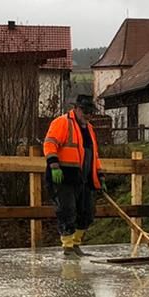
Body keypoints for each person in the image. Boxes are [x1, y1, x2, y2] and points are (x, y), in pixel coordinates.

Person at [42, 93, 103, 255]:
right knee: (67, 210)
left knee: (87, 212)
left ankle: (76, 243)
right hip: (64, 175)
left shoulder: (90, 129)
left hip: (84, 177)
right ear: (76, 109)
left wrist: (99, 175)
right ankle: (68, 246)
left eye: (90, 112)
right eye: (85, 111)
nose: (88, 115)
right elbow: (49, 144)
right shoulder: (62, 122)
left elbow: (94, 155)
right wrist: (54, 165)